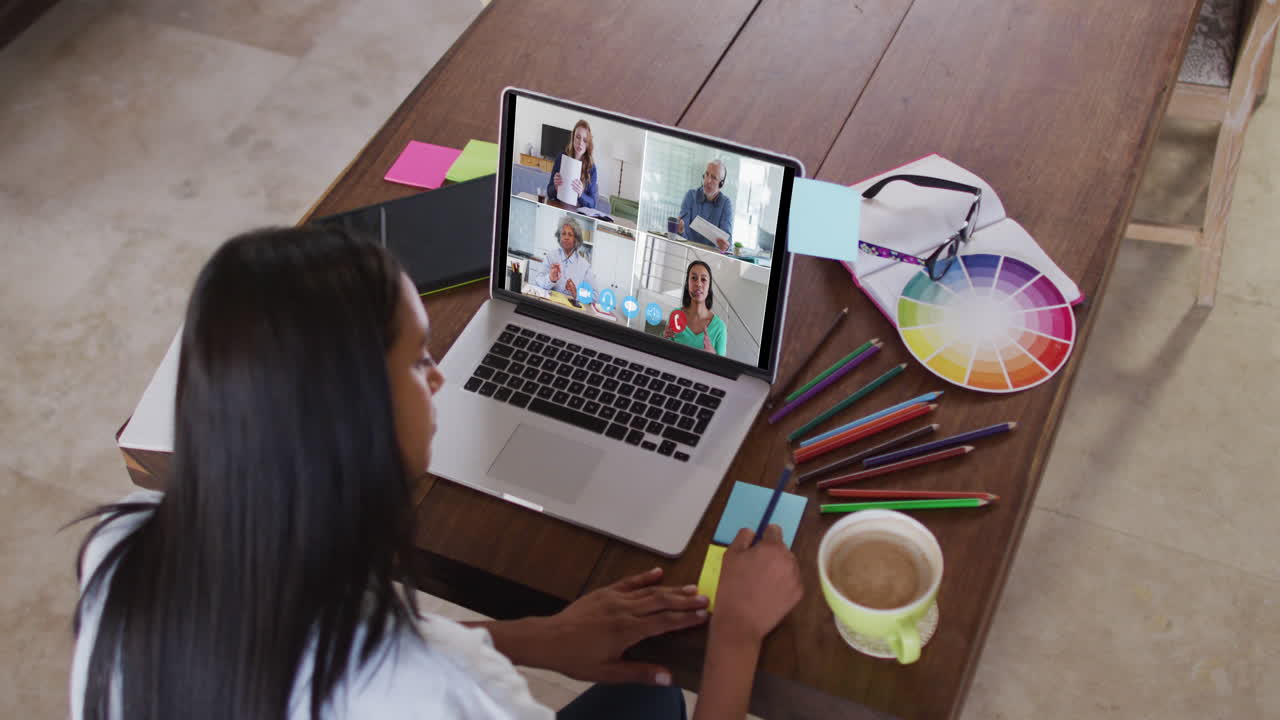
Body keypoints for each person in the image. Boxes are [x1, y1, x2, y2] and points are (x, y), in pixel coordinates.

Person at [70, 226, 802, 720]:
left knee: (645, 699)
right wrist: (735, 634)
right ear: (358, 420)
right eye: (420, 361)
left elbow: (322, 645)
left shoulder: (123, 553)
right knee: (661, 698)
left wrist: (533, 638)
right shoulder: (441, 696)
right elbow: (410, 675)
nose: (442, 379)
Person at [664, 260, 727, 356]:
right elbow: (666, 354)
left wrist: (713, 355)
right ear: (687, 284)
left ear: (709, 286)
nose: (698, 284)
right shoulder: (676, 315)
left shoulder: (720, 327)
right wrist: (664, 340)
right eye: (693, 278)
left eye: (703, 279)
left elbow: (723, 368)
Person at [531, 217, 597, 301]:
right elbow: (538, 281)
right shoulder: (550, 257)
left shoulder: (585, 266)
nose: (566, 237)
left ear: (576, 239)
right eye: (563, 234)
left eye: (570, 234)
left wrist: (577, 292)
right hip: (550, 303)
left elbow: (594, 295)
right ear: (559, 237)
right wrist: (550, 279)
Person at [676, 160, 733, 252]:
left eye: (714, 177)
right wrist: (680, 230)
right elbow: (682, 236)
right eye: (706, 174)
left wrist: (725, 246)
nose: (708, 180)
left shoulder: (725, 204)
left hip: (711, 256)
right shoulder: (691, 196)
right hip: (687, 250)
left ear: (721, 184)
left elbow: (727, 242)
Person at [546, 119, 598, 209]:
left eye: (585, 140)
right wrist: (555, 187)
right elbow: (549, 192)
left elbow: (593, 204)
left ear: (588, 144)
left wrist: (581, 194)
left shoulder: (592, 168)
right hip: (558, 207)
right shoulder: (561, 158)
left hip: (577, 213)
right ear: (573, 137)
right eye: (578, 137)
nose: (580, 143)